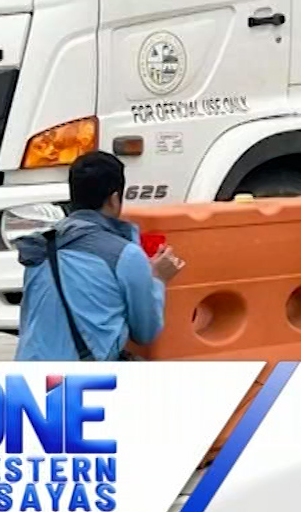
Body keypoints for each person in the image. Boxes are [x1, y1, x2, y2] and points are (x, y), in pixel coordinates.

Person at [12, 152, 182, 361]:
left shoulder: (41, 247)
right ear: (114, 199)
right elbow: (145, 332)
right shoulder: (124, 254)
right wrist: (158, 279)